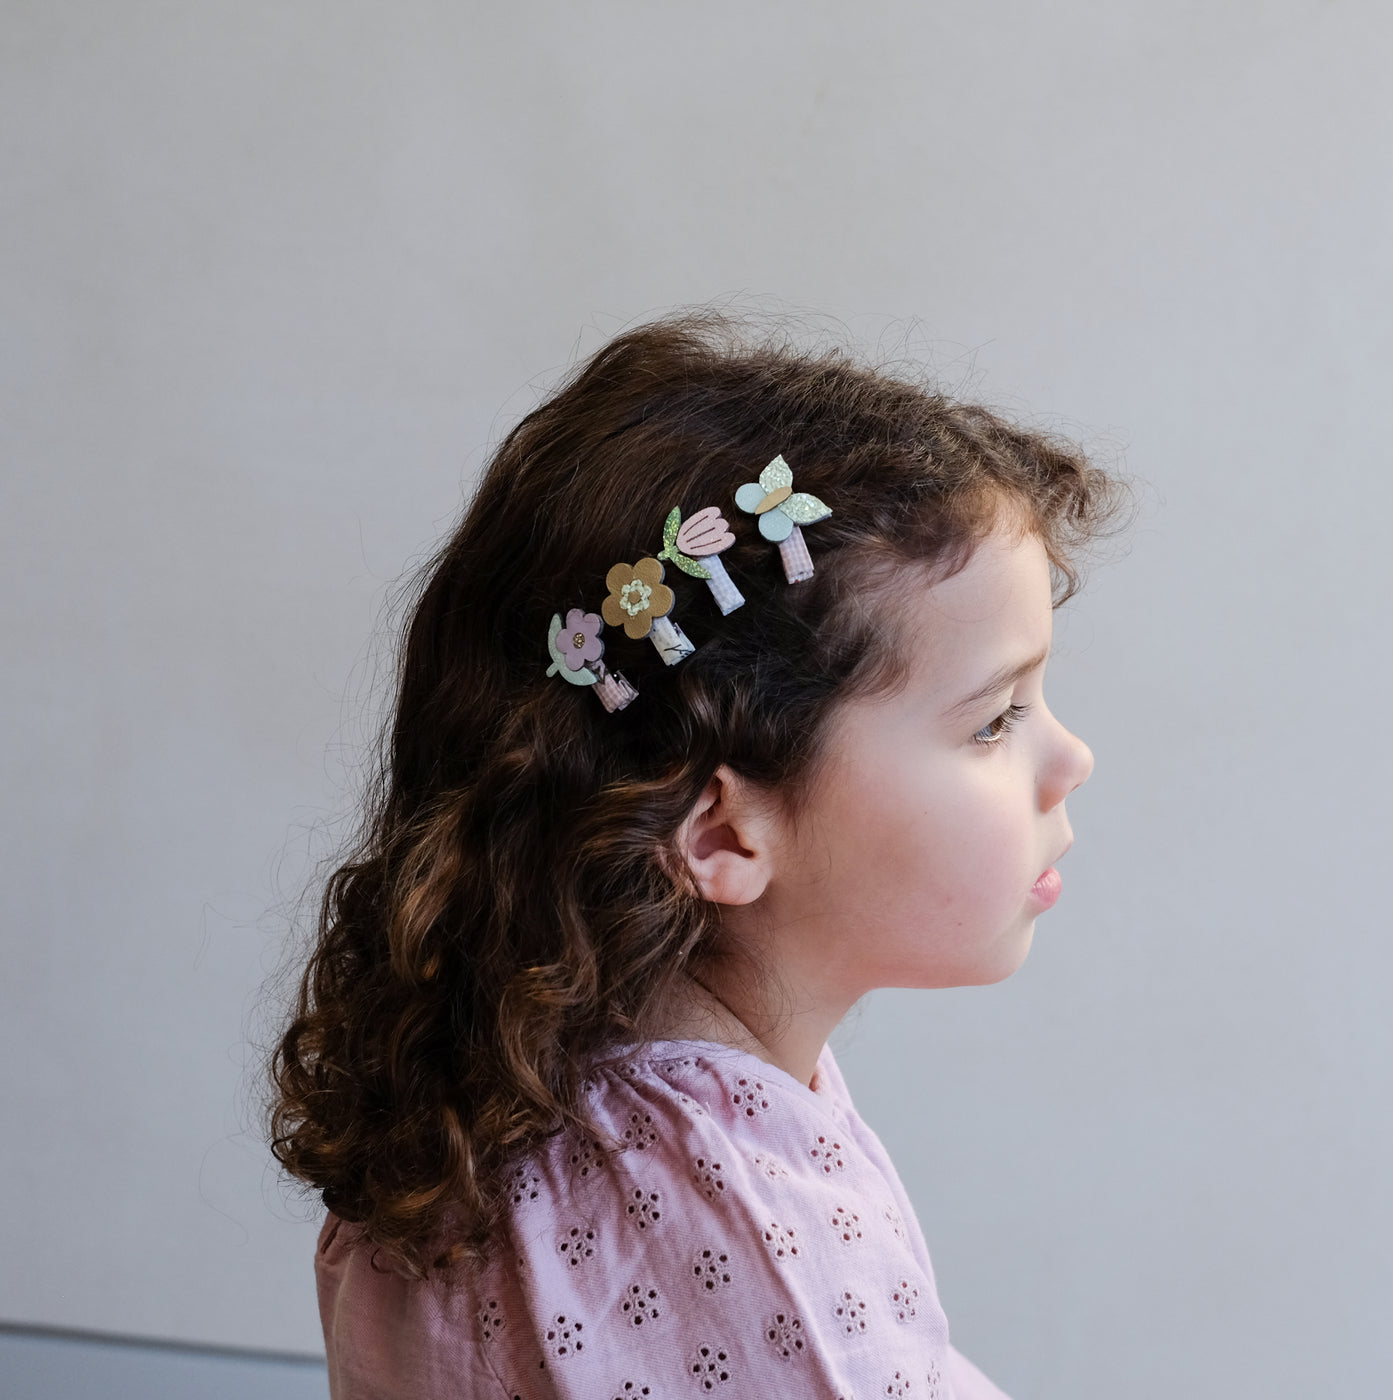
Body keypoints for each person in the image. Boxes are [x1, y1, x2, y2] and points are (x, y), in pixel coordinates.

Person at [268, 311, 1131, 1398]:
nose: (1073, 757)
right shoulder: (724, 1209)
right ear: (723, 834)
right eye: (992, 720)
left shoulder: (565, 1093)